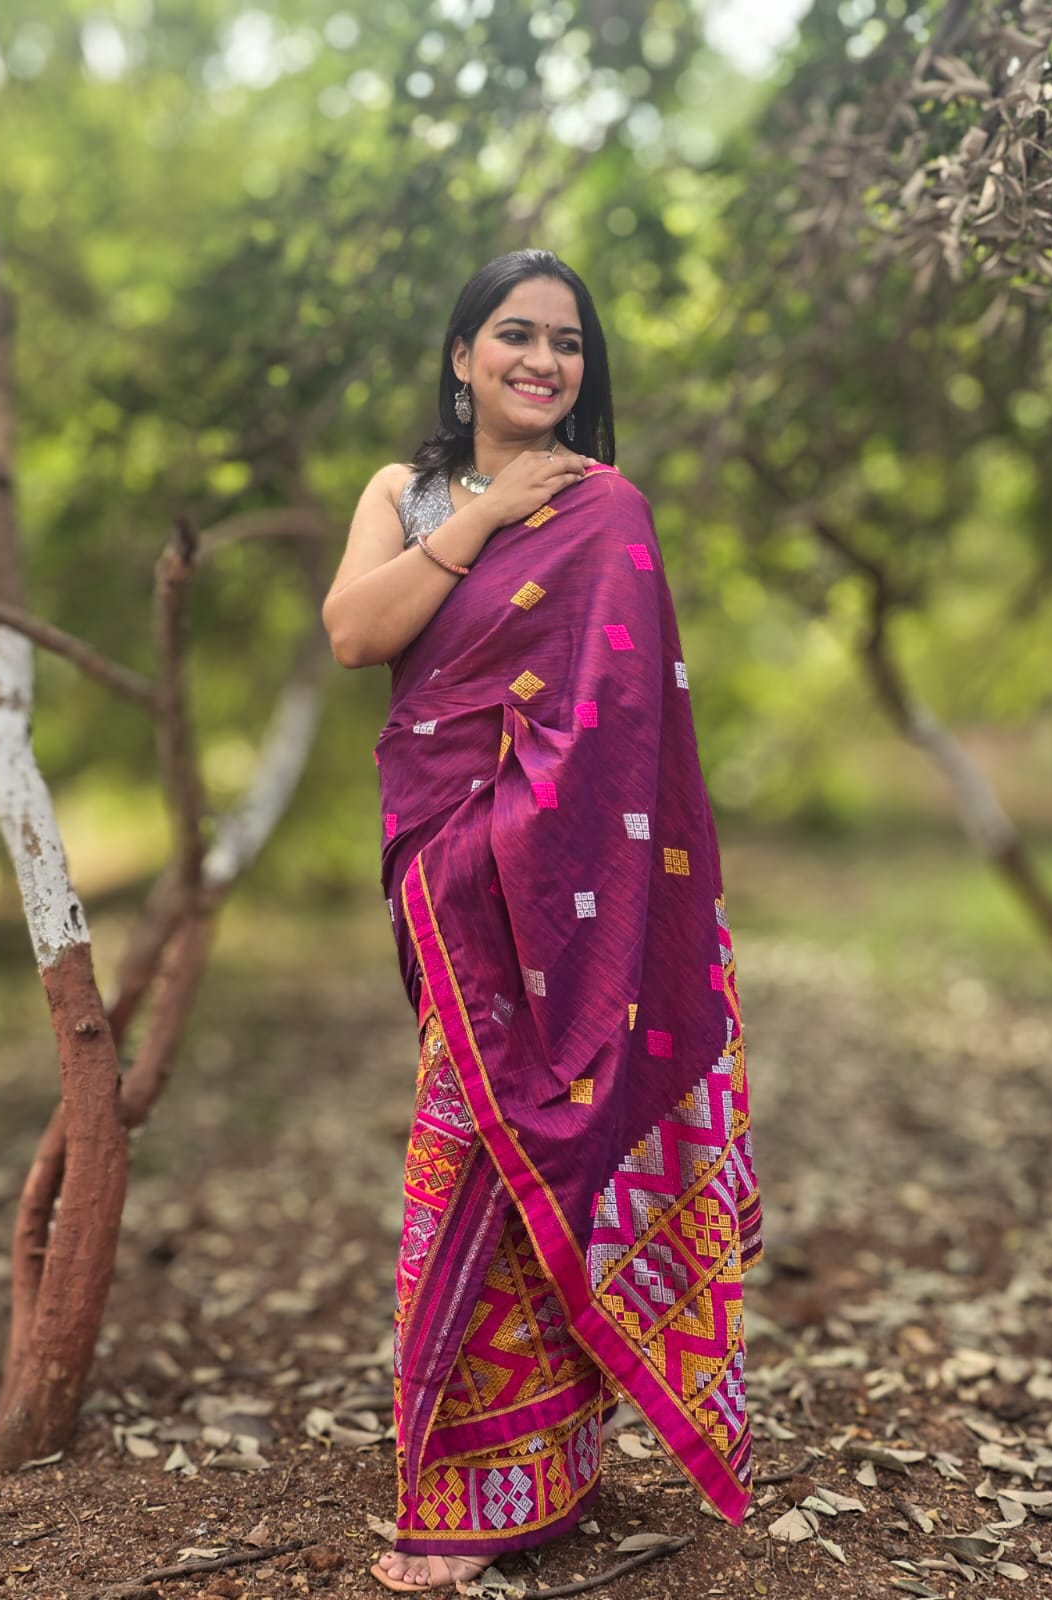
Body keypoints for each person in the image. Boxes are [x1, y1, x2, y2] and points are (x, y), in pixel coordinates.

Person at [321, 249, 763, 1594]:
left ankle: (521, 1483)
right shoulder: (402, 494)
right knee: (472, 1141)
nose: (543, 360)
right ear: (463, 357)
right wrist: (485, 515)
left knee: (494, 1149)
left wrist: (534, 502)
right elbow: (354, 634)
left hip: (562, 884)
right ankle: (470, 1479)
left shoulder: (608, 507)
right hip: (449, 865)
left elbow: (625, 731)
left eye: (568, 343)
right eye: (515, 334)